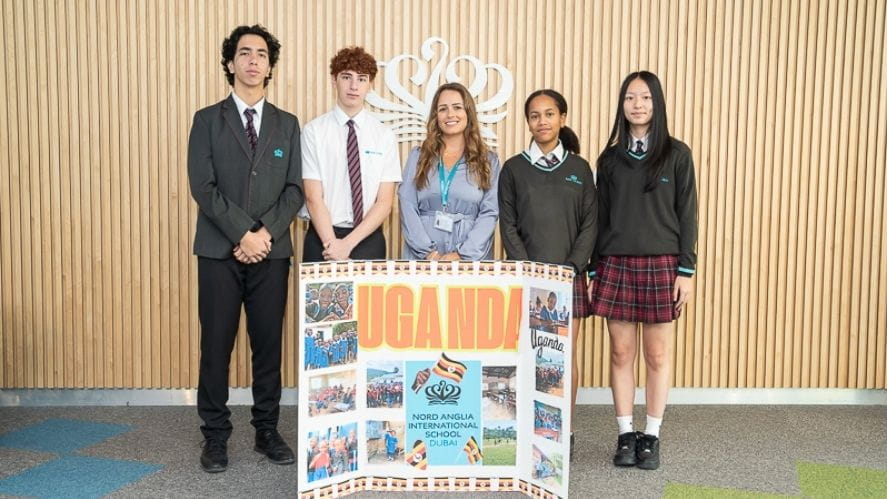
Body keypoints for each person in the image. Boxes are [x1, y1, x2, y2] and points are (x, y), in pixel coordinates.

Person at [187, 24, 302, 473]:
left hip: (271, 255)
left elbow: (294, 190)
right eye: (244, 53)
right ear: (231, 63)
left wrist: (264, 235)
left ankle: (266, 430)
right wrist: (243, 234)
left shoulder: (287, 124)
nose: (253, 60)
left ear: (270, 66)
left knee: (268, 345)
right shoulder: (206, 120)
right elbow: (204, 186)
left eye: (261, 54)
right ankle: (215, 436)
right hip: (219, 252)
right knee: (216, 345)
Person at [589, 71, 697, 471]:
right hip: (615, 263)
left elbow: (688, 215)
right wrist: (593, 270)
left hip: (662, 265)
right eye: (630, 98)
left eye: (646, 98)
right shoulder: (610, 159)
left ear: (657, 104)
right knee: (620, 352)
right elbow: (600, 219)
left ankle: (651, 435)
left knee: (657, 354)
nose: (637, 104)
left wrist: (686, 270)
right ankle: (625, 433)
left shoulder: (677, 154)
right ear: (622, 105)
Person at [498, 89, 597, 458]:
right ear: (528, 122)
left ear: (562, 118)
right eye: (535, 115)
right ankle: (531, 429)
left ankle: (563, 432)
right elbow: (508, 225)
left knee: (563, 357)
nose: (542, 121)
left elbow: (591, 223)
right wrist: (528, 270)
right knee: (529, 357)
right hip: (527, 279)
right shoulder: (513, 169)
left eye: (549, 114)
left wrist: (571, 268)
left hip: (568, 281)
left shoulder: (579, 169)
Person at [300, 46, 402, 261]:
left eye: (362, 79)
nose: (354, 86)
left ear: (370, 85)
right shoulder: (313, 131)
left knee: (369, 297)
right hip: (322, 238)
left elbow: (385, 202)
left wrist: (347, 244)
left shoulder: (384, 135)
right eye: (347, 77)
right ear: (334, 80)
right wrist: (333, 245)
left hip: (368, 238)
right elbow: (312, 197)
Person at [398, 82, 500, 260]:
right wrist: (427, 252)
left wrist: (462, 255)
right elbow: (407, 205)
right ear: (436, 115)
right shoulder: (418, 156)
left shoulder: (489, 161)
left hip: (469, 260)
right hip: (424, 258)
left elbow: (490, 212)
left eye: (457, 107)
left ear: (468, 113)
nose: (450, 114)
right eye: (443, 109)